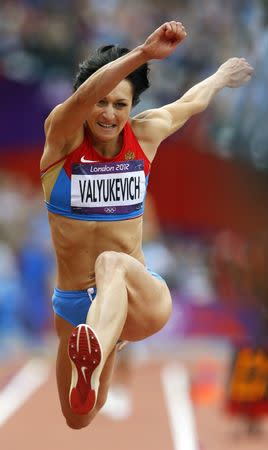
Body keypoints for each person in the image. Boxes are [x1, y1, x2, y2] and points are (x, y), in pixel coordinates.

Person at [40, 21, 254, 429]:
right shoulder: (62, 139)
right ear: (85, 104)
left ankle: (96, 353)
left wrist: (222, 76)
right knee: (77, 418)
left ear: (132, 107)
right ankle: (100, 354)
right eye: (101, 103)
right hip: (73, 305)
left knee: (111, 262)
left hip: (139, 295)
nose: (108, 113)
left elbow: (190, 103)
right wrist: (142, 54)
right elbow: (83, 95)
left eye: (121, 105)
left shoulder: (145, 135)